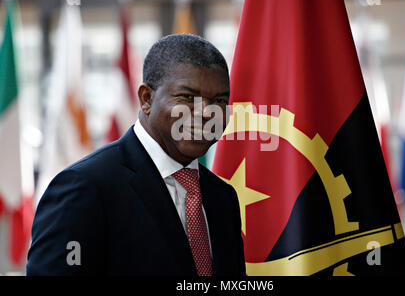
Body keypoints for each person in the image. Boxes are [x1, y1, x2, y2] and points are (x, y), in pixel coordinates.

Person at [27, 34, 245, 276]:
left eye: (219, 101)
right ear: (146, 99)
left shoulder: (222, 197)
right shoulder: (84, 188)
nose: (206, 113)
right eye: (187, 97)